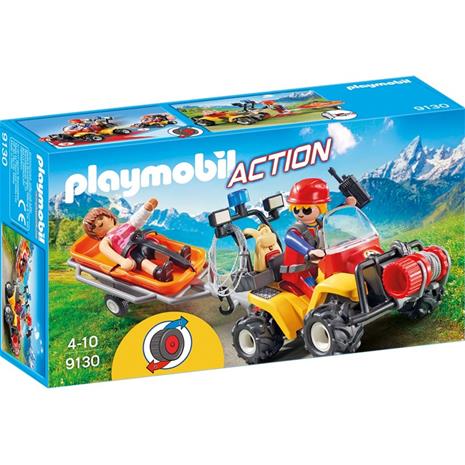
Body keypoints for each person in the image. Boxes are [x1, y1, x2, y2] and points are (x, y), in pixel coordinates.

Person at [82, 198, 191, 282]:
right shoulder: (106, 240)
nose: (99, 223)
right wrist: (122, 261)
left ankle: (178, 257)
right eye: (94, 226)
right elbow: (108, 252)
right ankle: (159, 272)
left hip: (142, 242)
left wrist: (146, 209)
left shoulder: (126, 225)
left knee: (155, 248)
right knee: (141, 260)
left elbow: (137, 219)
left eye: (101, 218)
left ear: (110, 217)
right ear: (95, 234)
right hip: (130, 252)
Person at [280, 178, 356, 297]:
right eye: (296, 209)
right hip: (298, 274)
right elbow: (292, 239)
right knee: (319, 295)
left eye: (306, 210)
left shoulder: (320, 224)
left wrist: (345, 205)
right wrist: (309, 251)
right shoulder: (295, 231)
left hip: (317, 269)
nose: (300, 213)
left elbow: (330, 217)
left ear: (321, 207)